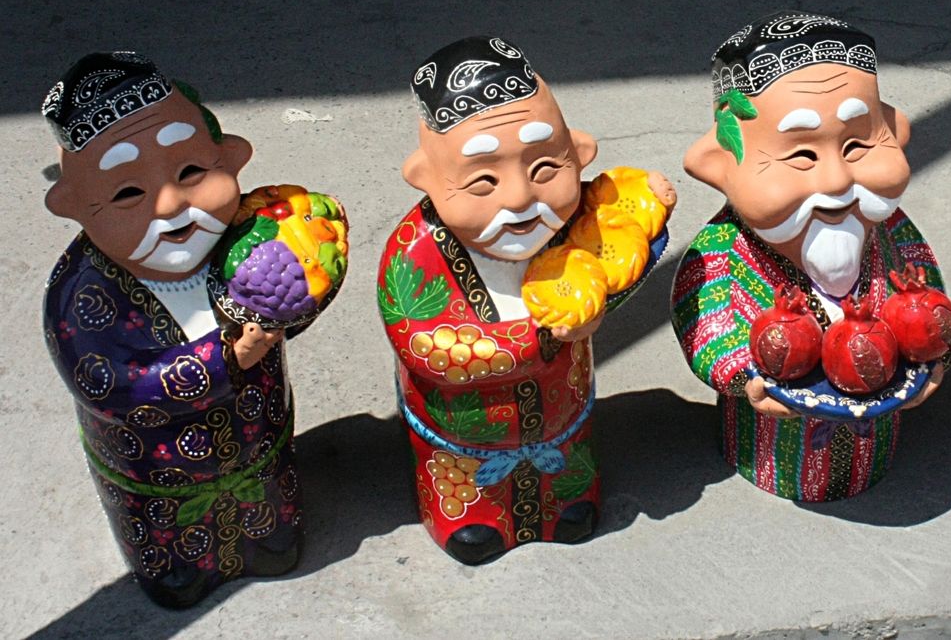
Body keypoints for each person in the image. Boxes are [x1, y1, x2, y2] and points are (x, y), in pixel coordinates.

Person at [41, 52, 330, 606]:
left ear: (232, 159)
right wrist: (225, 359)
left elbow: (295, 298)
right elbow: (106, 382)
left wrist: (305, 290)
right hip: (156, 478)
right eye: (128, 194)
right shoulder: (80, 292)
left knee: (271, 524)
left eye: (192, 172)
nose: (172, 204)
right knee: (174, 560)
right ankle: (176, 573)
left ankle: (271, 542)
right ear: (73, 205)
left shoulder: (249, 239)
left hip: (258, 448)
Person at [379, 36, 675, 563]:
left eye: (544, 170)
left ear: (578, 154)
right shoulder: (414, 249)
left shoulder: (582, 225)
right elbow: (421, 344)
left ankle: (568, 503)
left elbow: (613, 273)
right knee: (470, 506)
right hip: (463, 441)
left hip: (563, 420)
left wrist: (648, 222)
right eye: (482, 181)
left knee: (569, 487)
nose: (519, 198)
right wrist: (538, 338)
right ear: (427, 180)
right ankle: (468, 516)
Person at [672, 12, 948, 501]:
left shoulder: (892, 231)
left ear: (893, 129)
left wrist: (933, 351)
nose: (837, 181)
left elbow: (925, 286)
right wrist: (744, 375)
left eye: (858, 144)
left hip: (881, 430)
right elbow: (705, 321)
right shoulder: (720, 251)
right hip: (768, 444)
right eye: (801, 156)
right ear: (718, 165)